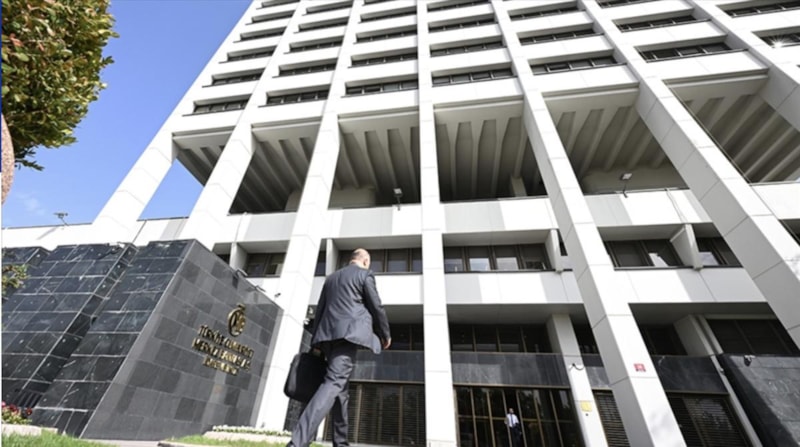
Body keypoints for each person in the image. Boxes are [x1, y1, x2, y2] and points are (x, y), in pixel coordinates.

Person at [287, 248, 391, 447]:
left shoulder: (331, 279)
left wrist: (316, 342)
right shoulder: (365, 275)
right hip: (348, 336)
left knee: (341, 391)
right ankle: (297, 442)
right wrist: (385, 334)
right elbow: (376, 306)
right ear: (365, 261)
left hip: (327, 338)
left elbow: (320, 310)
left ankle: (341, 442)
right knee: (334, 383)